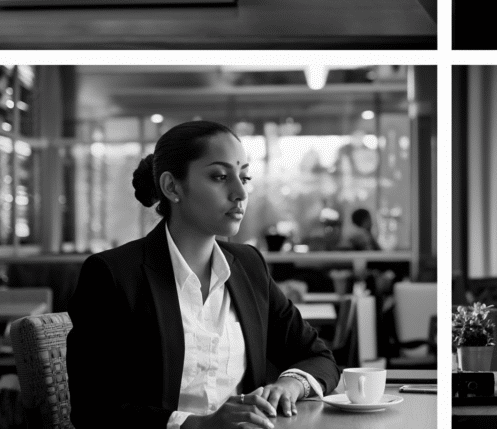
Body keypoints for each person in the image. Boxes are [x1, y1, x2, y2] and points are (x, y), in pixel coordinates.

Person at [66, 121, 340, 429]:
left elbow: (318, 357)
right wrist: (196, 425)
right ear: (172, 187)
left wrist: (289, 385)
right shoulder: (113, 275)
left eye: (244, 177)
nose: (240, 192)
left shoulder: (248, 266)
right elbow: (93, 410)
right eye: (220, 176)